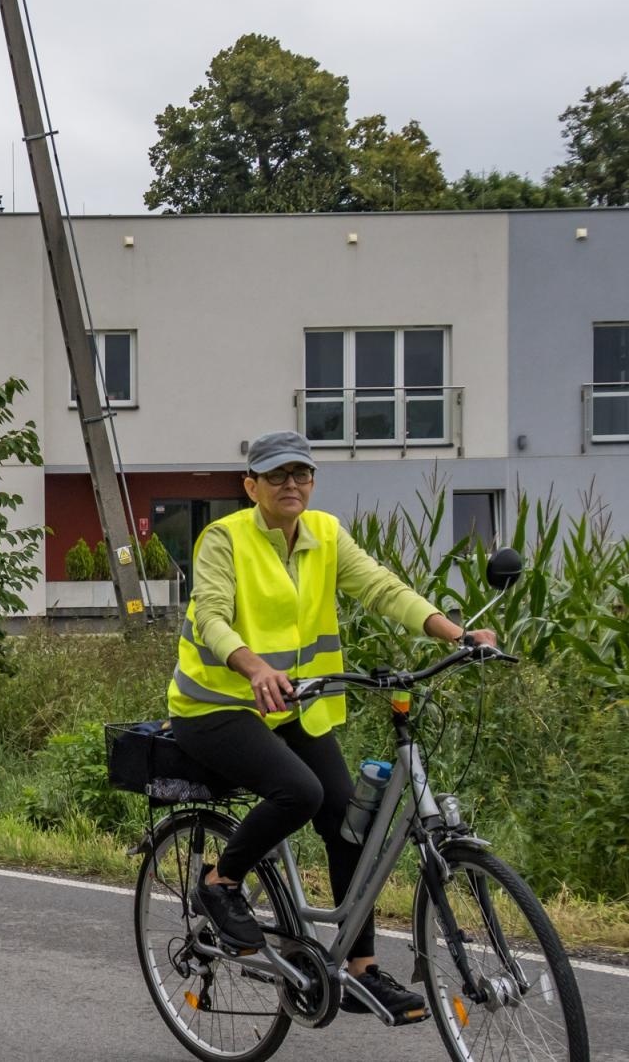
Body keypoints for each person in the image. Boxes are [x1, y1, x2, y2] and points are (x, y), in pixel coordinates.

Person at [168, 430, 496, 1024]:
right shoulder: (225, 539)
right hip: (216, 706)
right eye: (276, 476)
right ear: (251, 486)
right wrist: (253, 665)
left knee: (350, 824)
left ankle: (361, 968)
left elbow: (381, 587)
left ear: (312, 482)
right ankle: (220, 881)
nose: (291, 484)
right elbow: (211, 616)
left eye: (301, 474)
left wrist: (456, 634)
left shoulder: (324, 533)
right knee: (301, 792)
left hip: (295, 704)